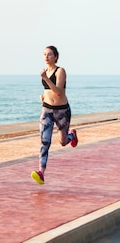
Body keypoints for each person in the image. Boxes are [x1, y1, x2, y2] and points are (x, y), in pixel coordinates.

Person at [31, 45, 78, 185]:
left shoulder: (60, 71)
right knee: (45, 142)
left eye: (49, 54)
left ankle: (72, 135)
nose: (46, 57)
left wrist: (45, 78)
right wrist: (44, 97)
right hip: (46, 110)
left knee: (63, 142)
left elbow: (58, 91)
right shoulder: (45, 71)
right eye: (44, 54)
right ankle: (41, 172)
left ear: (56, 57)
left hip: (62, 111)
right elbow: (48, 91)